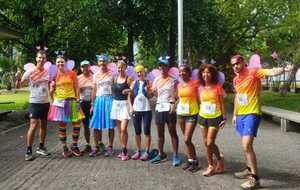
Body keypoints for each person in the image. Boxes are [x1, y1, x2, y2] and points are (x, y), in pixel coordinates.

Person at [231, 54, 293, 189]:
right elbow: (237, 97)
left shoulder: (253, 72)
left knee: (246, 145)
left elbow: (270, 72)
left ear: (243, 62)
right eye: (233, 64)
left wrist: (284, 69)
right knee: (245, 146)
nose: (235, 66)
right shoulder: (236, 79)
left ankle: (255, 179)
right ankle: (248, 169)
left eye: (237, 63)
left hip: (252, 113)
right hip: (241, 115)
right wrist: (235, 115)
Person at [48, 53, 84, 158]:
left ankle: (74, 146)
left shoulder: (72, 73)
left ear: (66, 63)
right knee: (62, 126)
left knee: (76, 124)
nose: (60, 63)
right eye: (58, 62)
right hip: (59, 102)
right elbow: (50, 91)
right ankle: (64, 148)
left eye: (62, 62)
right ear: (56, 63)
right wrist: (51, 90)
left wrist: (77, 100)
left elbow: (77, 88)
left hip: (71, 100)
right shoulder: (54, 75)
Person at [149, 56, 181, 166]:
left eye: (165, 65)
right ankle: (161, 153)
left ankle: (176, 155)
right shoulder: (156, 80)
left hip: (169, 109)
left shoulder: (173, 80)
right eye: (161, 65)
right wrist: (149, 91)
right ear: (159, 67)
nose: (162, 67)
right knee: (160, 133)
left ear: (168, 67)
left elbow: (178, 95)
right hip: (159, 108)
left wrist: (174, 102)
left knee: (172, 132)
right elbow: (153, 94)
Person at [21, 50, 51, 161]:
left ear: (45, 59)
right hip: (34, 102)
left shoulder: (47, 71)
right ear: (36, 58)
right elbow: (21, 84)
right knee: (33, 125)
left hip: (45, 102)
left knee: (44, 125)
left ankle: (41, 147)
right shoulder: (30, 71)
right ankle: (28, 151)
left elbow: (48, 85)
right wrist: (19, 78)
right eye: (39, 57)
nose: (41, 59)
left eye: (43, 58)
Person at [198, 64, 226, 176]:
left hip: (215, 117)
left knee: (210, 142)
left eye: (208, 72)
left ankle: (219, 158)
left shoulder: (218, 88)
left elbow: (222, 104)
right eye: (204, 72)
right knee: (206, 143)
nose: (206, 74)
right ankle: (210, 166)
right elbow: (200, 102)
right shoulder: (200, 88)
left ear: (212, 74)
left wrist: (224, 118)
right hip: (203, 117)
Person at [89, 55, 115, 157]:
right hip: (99, 100)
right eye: (100, 61)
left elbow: (114, 88)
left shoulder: (112, 74)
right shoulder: (95, 75)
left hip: (109, 100)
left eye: (104, 61)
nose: (102, 63)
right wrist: (92, 104)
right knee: (96, 124)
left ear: (107, 62)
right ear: (98, 63)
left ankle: (110, 147)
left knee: (110, 125)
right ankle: (97, 146)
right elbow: (94, 90)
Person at [176, 64, 199, 172]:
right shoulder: (179, 85)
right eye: (180, 71)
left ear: (189, 73)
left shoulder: (195, 83)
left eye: (184, 71)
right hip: (181, 114)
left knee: (187, 139)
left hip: (192, 113)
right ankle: (190, 160)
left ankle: (195, 161)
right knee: (186, 140)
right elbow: (178, 98)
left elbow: (201, 96)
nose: (181, 73)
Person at [111, 60, 133, 161]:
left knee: (124, 129)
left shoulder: (129, 79)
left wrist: (128, 90)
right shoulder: (114, 79)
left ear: (125, 68)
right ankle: (123, 149)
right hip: (116, 104)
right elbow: (112, 91)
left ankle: (124, 150)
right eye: (118, 68)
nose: (120, 69)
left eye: (121, 67)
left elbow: (134, 89)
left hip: (125, 105)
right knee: (120, 130)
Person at [130, 64, 152, 161]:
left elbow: (151, 96)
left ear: (144, 72)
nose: (139, 74)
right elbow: (130, 95)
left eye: (141, 72)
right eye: (138, 72)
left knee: (147, 131)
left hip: (146, 109)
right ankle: (138, 150)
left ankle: (146, 151)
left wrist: (148, 91)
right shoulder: (134, 82)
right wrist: (130, 107)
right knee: (137, 131)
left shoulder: (148, 82)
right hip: (136, 109)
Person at [78, 60, 93, 153]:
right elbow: (75, 90)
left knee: (96, 124)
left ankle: (98, 143)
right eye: (83, 67)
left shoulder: (94, 77)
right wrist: (79, 89)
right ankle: (88, 144)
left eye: (87, 66)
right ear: (81, 68)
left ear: (89, 67)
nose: (85, 68)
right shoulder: (78, 78)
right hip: (82, 103)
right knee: (85, 125)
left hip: (93, 103)